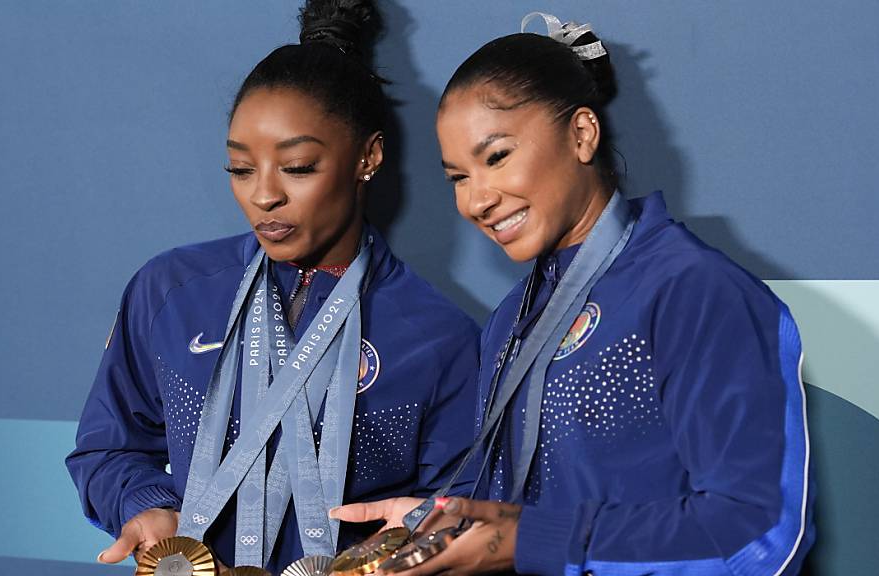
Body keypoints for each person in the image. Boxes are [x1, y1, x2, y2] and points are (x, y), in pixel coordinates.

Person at [333, 12, 815, 576]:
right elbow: (516, 506)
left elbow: (759, 532)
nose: (477, 200)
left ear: (582, 134)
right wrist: (438, 520)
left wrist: (532, 539)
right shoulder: (512, 318)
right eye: (458, 178)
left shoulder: (695, 291)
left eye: (496, 157)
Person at [65, 0, 479, 572]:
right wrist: (146, 507)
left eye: (299, 167)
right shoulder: (171, 291)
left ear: (368, 157)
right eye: (240, 168)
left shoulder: (441, 337)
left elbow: (457, 515)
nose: (263, 196)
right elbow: (107, 448)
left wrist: (407, 550)